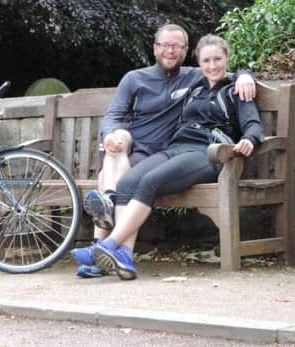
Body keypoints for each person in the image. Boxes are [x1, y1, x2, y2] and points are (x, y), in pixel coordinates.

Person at [71, 24, 257, 278]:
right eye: (206, 61)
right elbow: (114, 115)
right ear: (155, 48)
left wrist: (246, 77)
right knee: (124, 179)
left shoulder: (222, 85)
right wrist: (110, 135)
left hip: (205, 151)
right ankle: (121, 254)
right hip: (165, 148)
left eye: (177, 46)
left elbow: (251, 120)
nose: (211, 66)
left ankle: (105, 248)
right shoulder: (188, 83)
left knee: (146, 181)